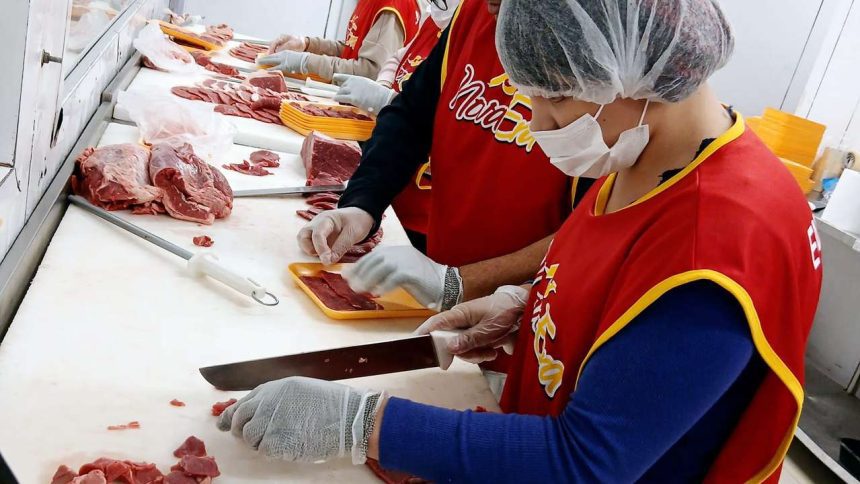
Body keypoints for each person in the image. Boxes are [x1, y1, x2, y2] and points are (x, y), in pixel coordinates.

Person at [217, 0, 824, 482]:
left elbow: (587, 464)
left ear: (636, 69)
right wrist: (530, 308)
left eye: (555, 94)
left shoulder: (718, 241)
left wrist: (363, 423)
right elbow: (618, 284)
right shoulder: (649, 158)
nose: (536, 123)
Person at [298, 0, 582, 314]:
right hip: (437, 283)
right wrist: (362, 204)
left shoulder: (596, 53)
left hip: (521, 312)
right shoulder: (471, 15)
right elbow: (411, 117)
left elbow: (592, 230)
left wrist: (465, 282)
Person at [332, 0, 460, 251]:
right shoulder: (444, 16)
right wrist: (363, 202)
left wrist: (387, 100)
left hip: (433, 218)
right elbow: (404, 57)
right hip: (395, 197)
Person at [257, 0, 420, 81]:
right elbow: (353, 48)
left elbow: (369, 71)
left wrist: (306, 62)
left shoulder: (393, 6)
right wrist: (307, 44)